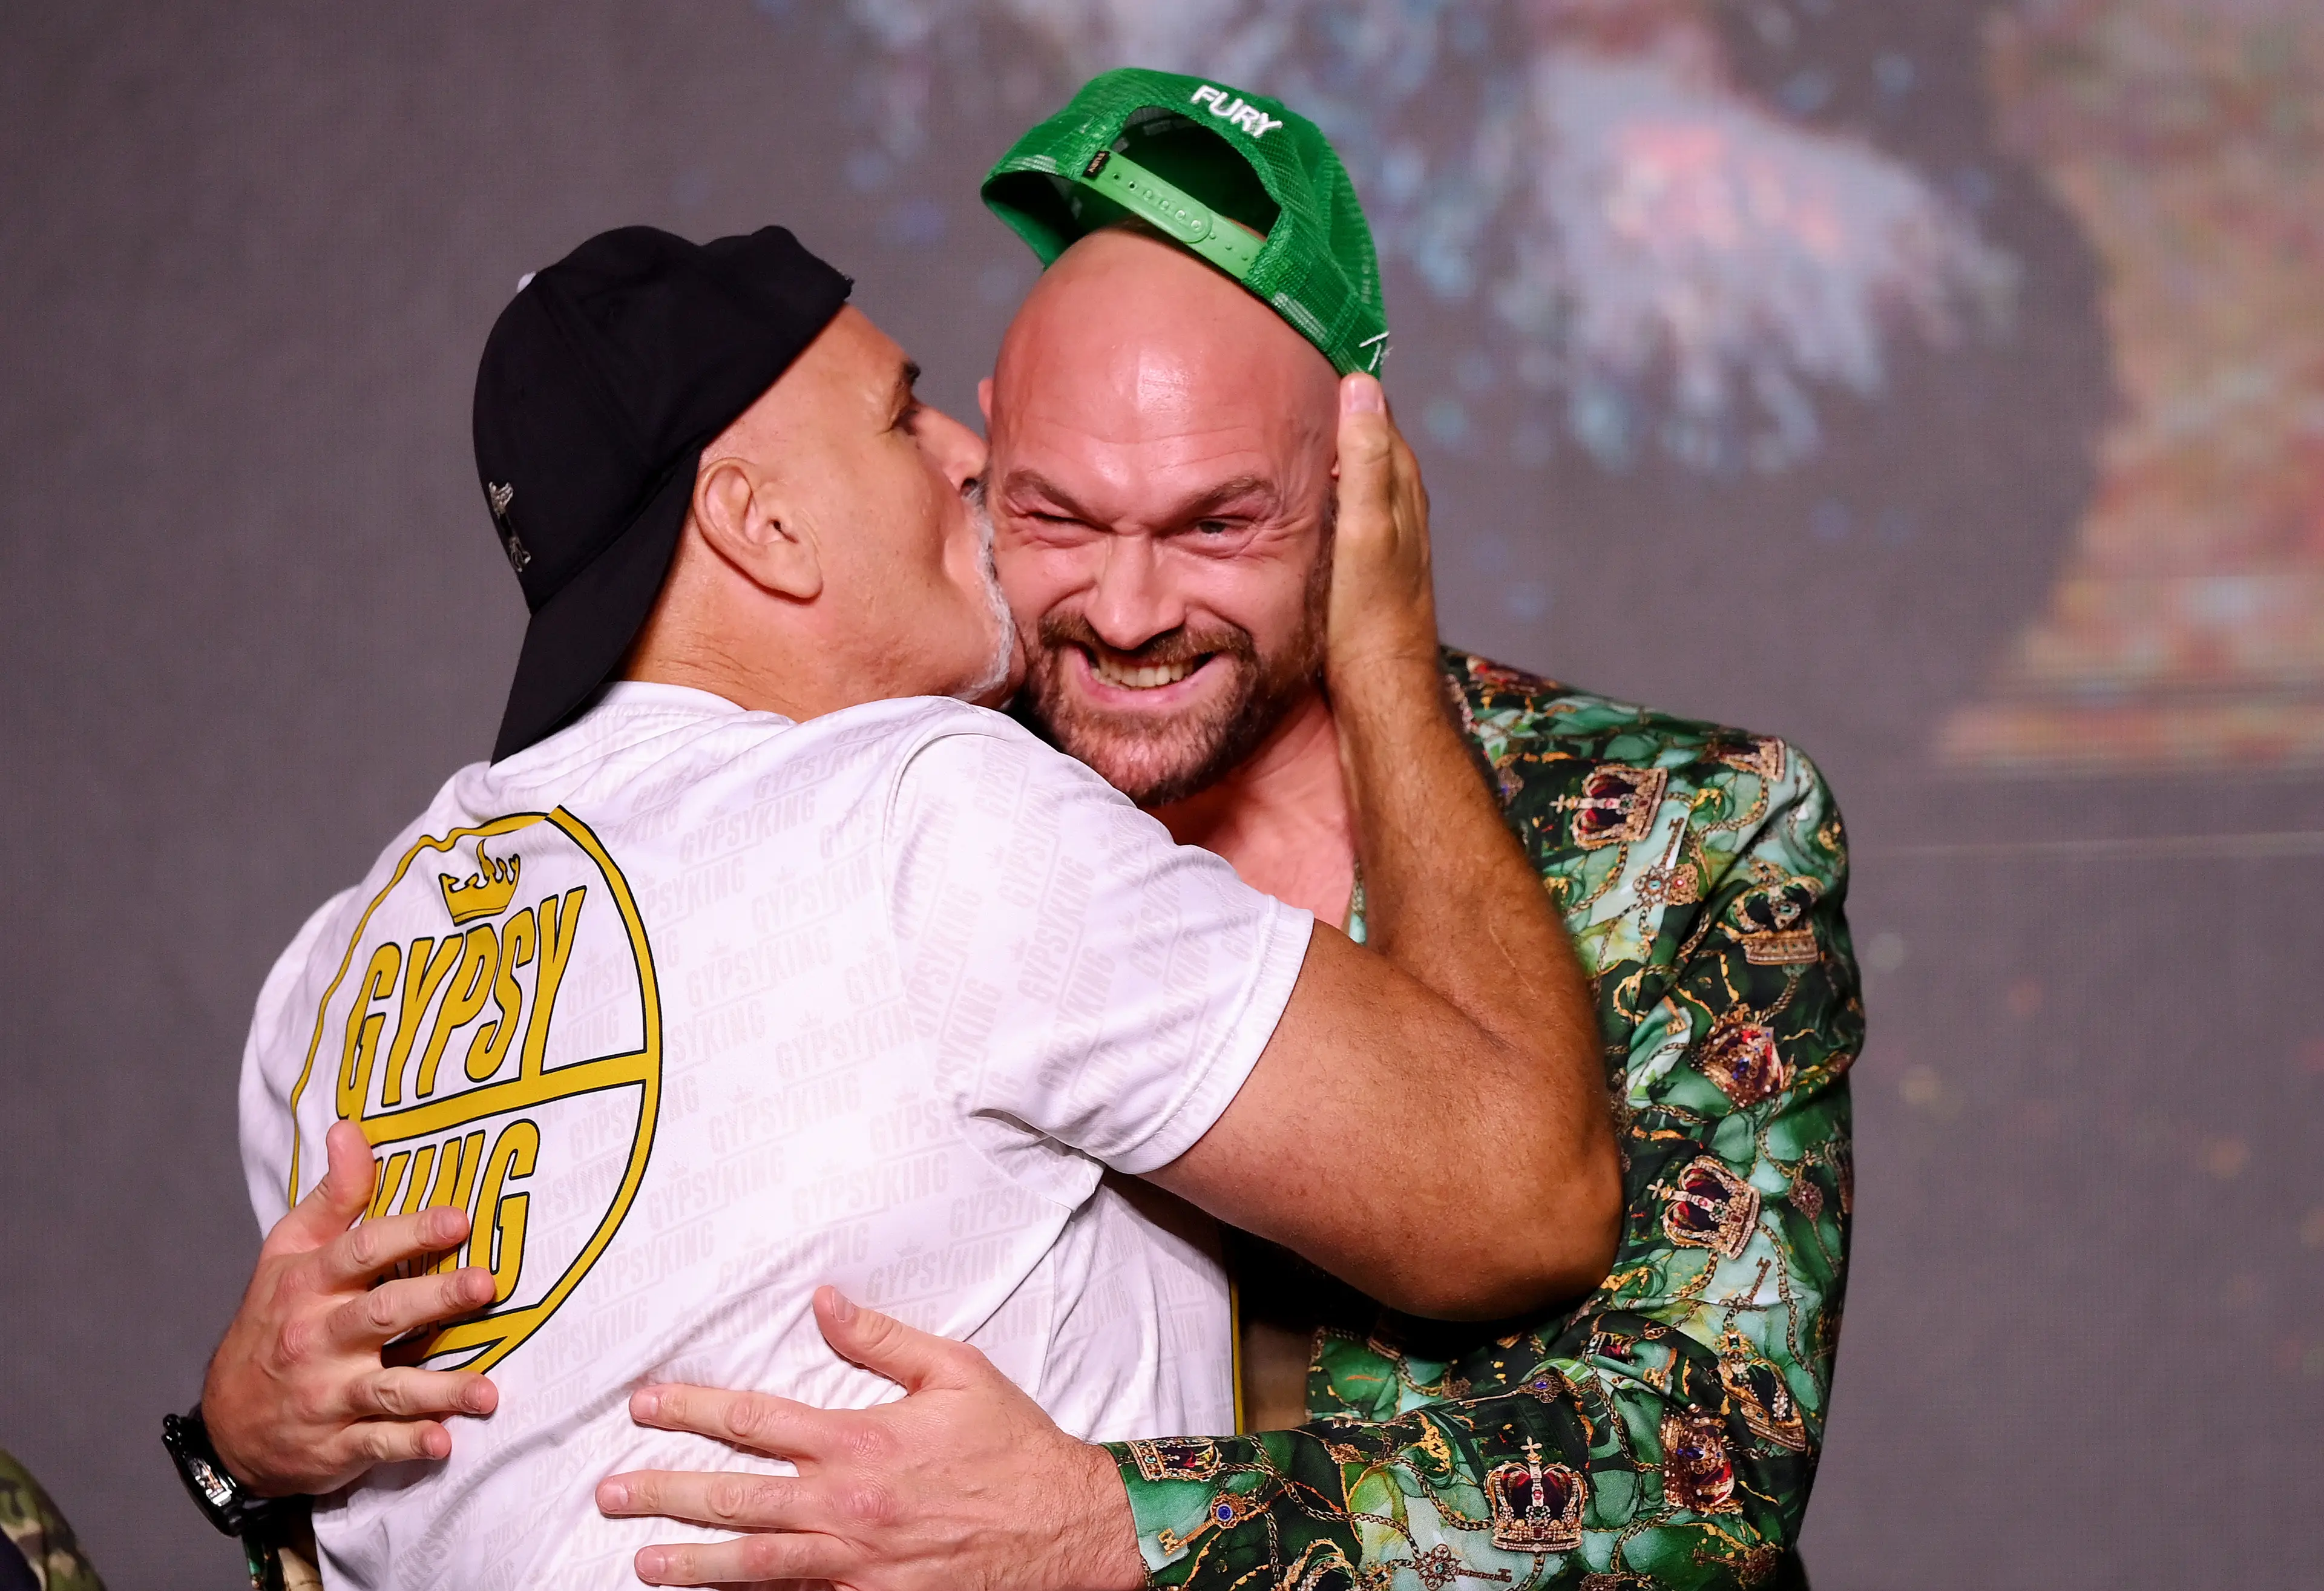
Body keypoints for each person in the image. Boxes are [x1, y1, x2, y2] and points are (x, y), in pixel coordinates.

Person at [174, 215, 1618, 1591]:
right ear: (760, 524)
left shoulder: (328, 979)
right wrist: (1384, 651)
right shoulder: (925, 815)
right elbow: (1524, 1199)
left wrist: (231, 1457)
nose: (969, 457)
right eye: (898, 418)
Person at [576, 70, 1860, 1591]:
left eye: (1216, 525)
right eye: (1056, 518)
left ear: (1358, 489)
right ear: (982, 460)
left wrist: (1115, 1525)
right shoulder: (917, 829)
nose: (1127, 613)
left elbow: (1708, 1469)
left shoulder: (1690, 833)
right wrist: (319, 1412)